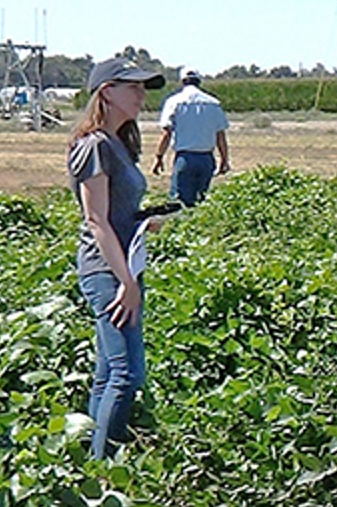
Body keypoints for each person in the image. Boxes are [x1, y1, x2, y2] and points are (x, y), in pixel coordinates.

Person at [68, 57, 166, 459]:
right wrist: (125, 283)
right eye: (134, 87)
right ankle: (103, 470)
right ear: (107, 92)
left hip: (125, 264)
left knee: (110, 371)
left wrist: (147, 218)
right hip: (107, 269)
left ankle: (91, 460)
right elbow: (95, 221)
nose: (142, 95)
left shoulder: (118, 144)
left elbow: (117, 212)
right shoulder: (93, 146)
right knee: (127, 375)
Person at [152, 69, 230, 206]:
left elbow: (166, 133)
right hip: (207, 159)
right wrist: (224, 159)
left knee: (179, 202)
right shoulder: (213, 103)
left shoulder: (174, 102)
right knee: (200, 201)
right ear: (199, 81)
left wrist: (159, 157)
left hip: (185, 158)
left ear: (182, 82)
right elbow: (220, 135)